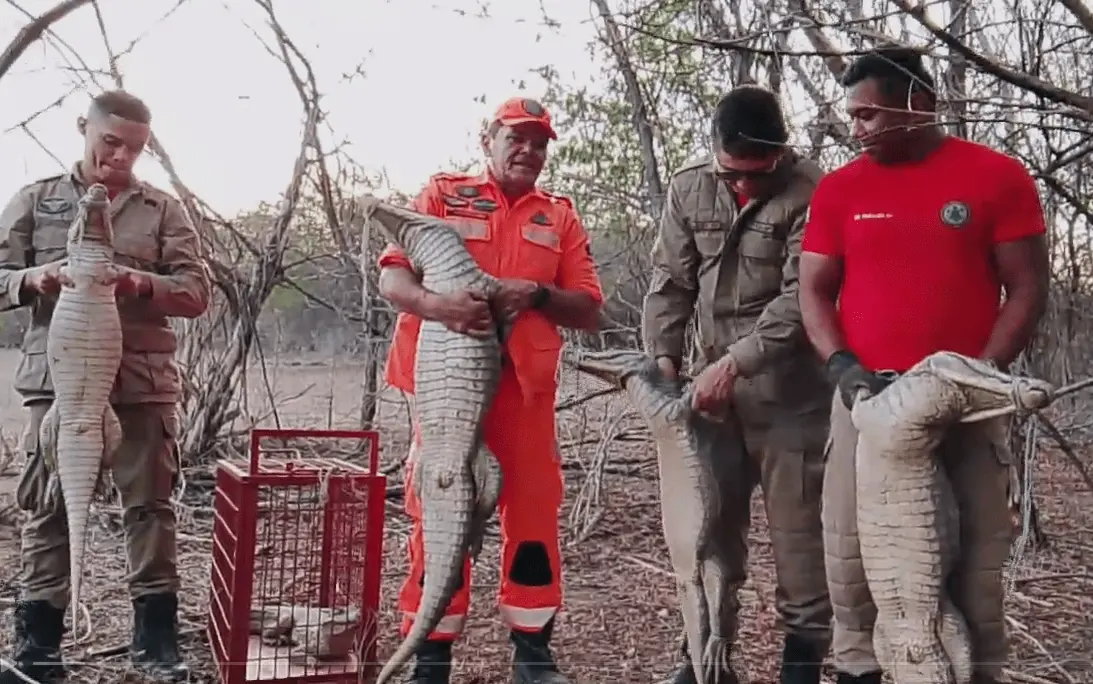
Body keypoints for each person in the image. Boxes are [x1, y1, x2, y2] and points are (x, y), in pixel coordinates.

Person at [798, 47, 1049, 684]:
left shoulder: (996, 177)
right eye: (852, 117)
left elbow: (1026, 289)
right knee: (852, 560)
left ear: (919, 103)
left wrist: (976, 378)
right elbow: (815, 291)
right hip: (866, 401)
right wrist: (844, 368)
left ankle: (976, 672)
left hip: (968, 403)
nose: (857, 129)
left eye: (870, 115)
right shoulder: (840, 189)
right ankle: (862, 671)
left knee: (974, 560)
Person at [376, 96, 604, 684]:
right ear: (489, 140)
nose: (529, 150)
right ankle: (431, 657)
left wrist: (535, 294)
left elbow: (588, 307)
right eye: (517, 138)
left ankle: (533, 654)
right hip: (445, 394)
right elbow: (393, 275)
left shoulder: (560, 216)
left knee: (532, 519)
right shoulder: (443, 195)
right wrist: (437, 306)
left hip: (523, 394)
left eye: (540, 142)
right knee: (438, 513)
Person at [0, 90, 210, 684]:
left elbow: (195, 292)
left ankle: (157, 647)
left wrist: (135, 283)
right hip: (57, 384)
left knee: (150, 509)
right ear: (84, 130)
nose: (121, 157)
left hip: (141, 384)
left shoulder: (163, 210)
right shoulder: (35, 201)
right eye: (111, 141)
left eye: (135, 148)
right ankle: (39, 649)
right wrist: (37, 277)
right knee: (48, 510)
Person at [643, 84, 833, 684]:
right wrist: (666, 364)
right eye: (732, 176)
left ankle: (799, 667)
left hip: (792, 402)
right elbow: (671, 282)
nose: (745, 188)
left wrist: (736, 363)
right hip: (706, 398)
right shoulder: (687, 187)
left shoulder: (815, 190)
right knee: (706, 536)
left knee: (801, 548)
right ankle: (702, 659)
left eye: (761, 173)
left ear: (781, 151)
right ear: (715, 153)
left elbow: (802, 297)